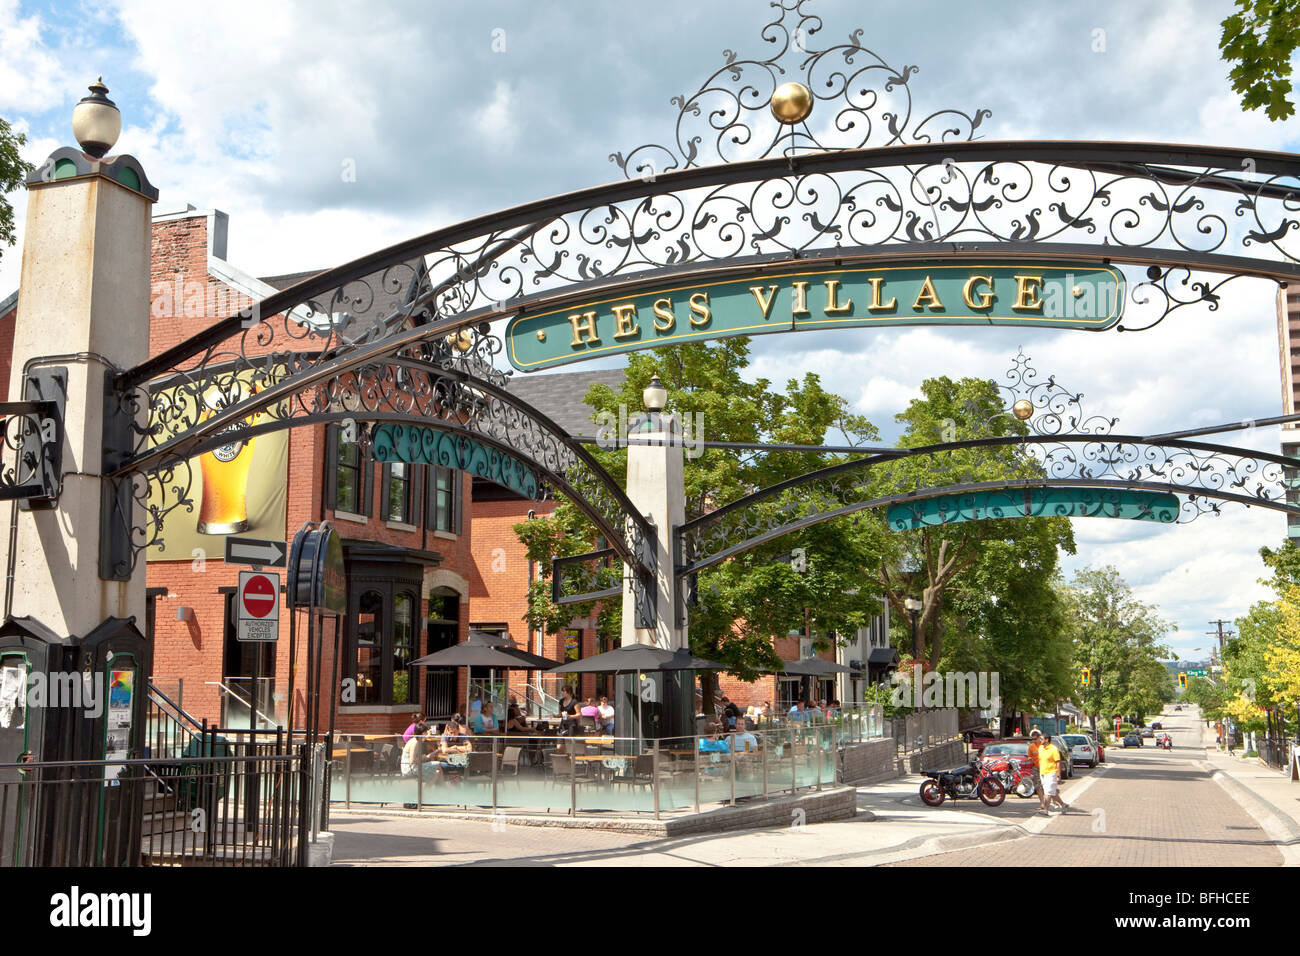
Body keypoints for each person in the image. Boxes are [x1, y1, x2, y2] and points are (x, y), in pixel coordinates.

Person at [1036, 731, 1069, 814]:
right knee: (1052, 792)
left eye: (1041, 739)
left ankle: (1046, 810)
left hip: (1051, 773)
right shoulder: (1040, 748)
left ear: (1047, 740)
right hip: (1043, 773)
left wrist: (1058, 775)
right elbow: (1040, 760)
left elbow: (1058, 762)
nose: (1040, 740)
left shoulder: (1054, 749)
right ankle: (1063, 804)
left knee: (1048, 792)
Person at [1027, 729, 1044, 805]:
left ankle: (1052, 800)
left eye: (1035, 739)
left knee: (1046, 786)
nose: (1034, 740)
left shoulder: (1043, 745)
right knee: (1038, 786)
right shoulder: (1031, 746)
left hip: (1045, 768)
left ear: (1039, 738)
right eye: (1032, 739)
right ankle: (1042, 803)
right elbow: (1029, 756)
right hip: (1036, 768)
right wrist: (1030, 759)